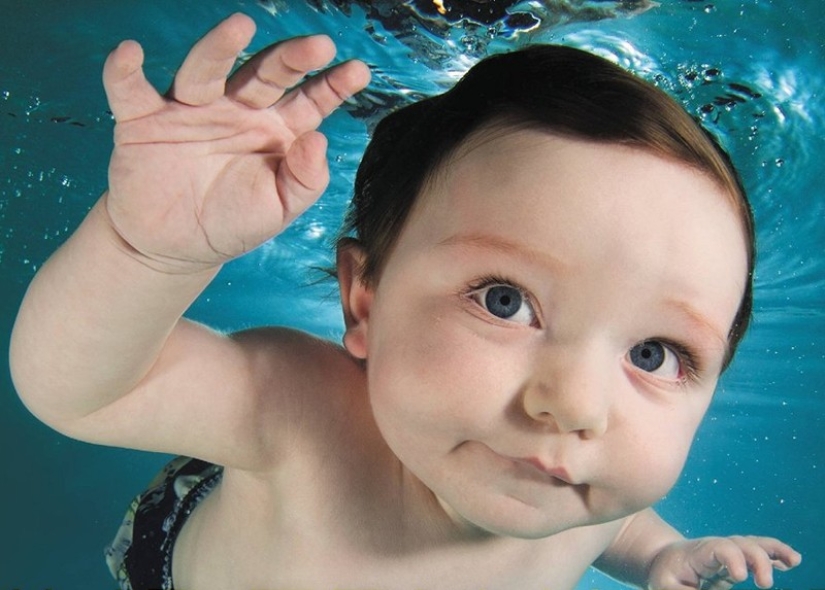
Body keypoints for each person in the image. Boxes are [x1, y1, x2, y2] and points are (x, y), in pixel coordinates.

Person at [9, 12, 801, 590]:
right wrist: (147, 251)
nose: (574, 405)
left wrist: (657, 556)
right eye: (502, 300)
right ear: (363, 300)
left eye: (653, 355)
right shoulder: (302, 411)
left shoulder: (578, 484)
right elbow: (87, 392)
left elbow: (609, 524)